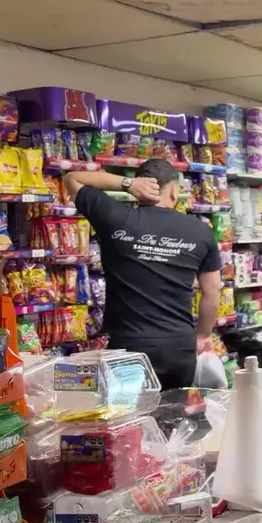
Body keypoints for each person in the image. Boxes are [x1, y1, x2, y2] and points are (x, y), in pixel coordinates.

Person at [64, 159, 222, 389]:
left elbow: (72, 178)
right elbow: (212, 291)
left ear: (140, 188)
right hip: (179, 346)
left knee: (128, 411)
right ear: (174, 191)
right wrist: (203, 335)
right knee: (176, 409)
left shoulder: (115, 217)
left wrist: (127, 184)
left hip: (129, 346)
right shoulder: (200, 231)